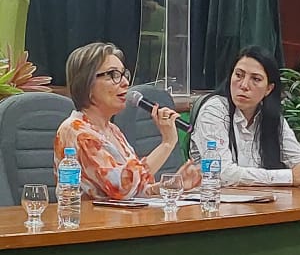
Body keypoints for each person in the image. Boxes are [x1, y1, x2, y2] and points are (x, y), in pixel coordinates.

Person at [55, 42, 200, 201]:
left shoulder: (112, 130)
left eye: (124, 75)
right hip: (87, 217)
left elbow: (138, 189)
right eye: (113, 75)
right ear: (87, 84)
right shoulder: (76, 131)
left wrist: (173, 185)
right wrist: (167, 144)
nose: (125, 82)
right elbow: (123, 187)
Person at [190, 46, 300, 187]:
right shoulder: (213, 111)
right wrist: (289, 177)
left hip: (261, 199)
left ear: (269, 89)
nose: (244, 85)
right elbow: (222, 173)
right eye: (239, 75)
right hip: (213, 198)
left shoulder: (272, 117)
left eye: (255, 79)